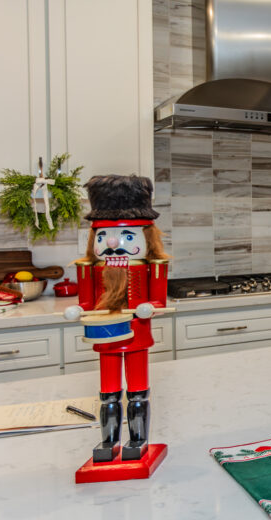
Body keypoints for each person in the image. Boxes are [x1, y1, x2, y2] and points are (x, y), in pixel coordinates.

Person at [70, 175, 170, 462]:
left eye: (127, 236)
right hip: (106, 334)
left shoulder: (153, 267)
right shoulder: (90, 269)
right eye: (103, 236)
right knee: (108, 392)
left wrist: (149, 307)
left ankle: (138, 439)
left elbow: (158, 300)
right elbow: (86, 301)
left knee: (138, 390)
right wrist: (79, 309)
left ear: (147, 238)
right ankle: (108, 441)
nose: (113, 242)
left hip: (136, 334)